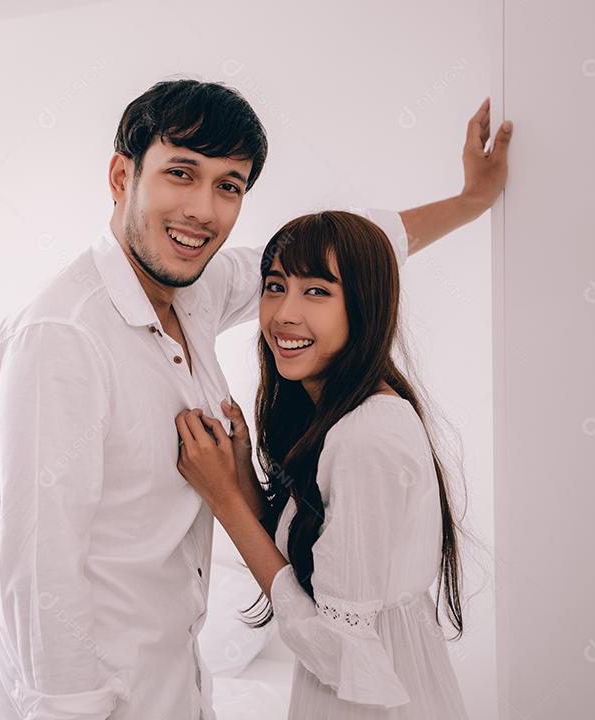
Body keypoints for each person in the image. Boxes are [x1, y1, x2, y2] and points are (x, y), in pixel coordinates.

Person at [0, 78, 510, 720]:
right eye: (181, 173)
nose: (203, 209)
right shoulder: (62, 340)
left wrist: (472, 201)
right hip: (91, 703)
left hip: (178, 685)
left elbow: (344, 254)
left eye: (229, 185)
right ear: (122, 176)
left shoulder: (194, 287)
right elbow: (40, 573)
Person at [175, 209, 473, 718]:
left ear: (364, 307)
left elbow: (338, 650)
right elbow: (310, 566)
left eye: (317, 291)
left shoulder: (366, 437)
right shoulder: (340, 417)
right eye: (274, 286)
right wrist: (242, 477)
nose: (284, 313)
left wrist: (223, 500)